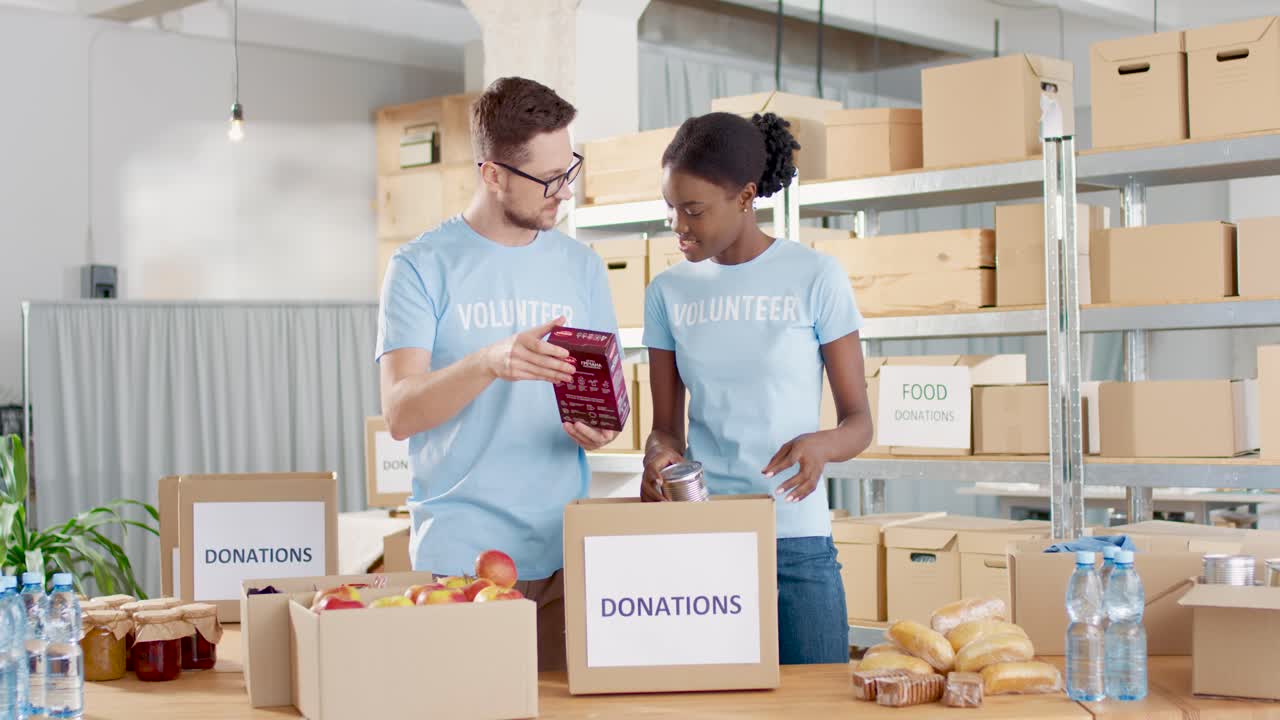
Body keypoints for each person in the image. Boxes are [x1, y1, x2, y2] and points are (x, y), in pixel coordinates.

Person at [376, 77, 619, 671]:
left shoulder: (582, 265)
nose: (563, 193)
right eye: (547, 180)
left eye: (570, 171)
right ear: (492, 174)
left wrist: (602, 426)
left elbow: (607, 400)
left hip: (566, 557)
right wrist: (488, 362)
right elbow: (401, 412)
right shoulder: (419, 267)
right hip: (460, 562)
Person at [640, 111, 874, 664]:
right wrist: (658, 458)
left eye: (694, 210)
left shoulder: (816, 277)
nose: (679, 226)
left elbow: (859, 423)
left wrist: (821, 445)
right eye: (671, 208)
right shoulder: (667, 291)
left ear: (746, 197)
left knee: (814, 708)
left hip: (797, 544)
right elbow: (665, 430)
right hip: (705, 539)